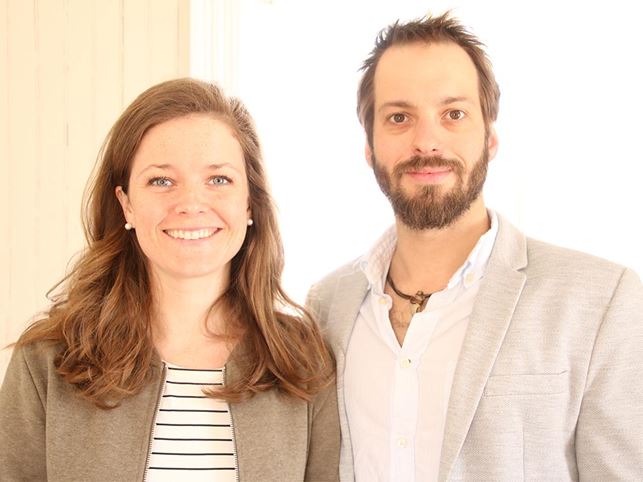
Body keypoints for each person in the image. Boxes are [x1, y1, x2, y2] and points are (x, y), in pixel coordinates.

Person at [306, 12, 643, 482]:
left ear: (490, 138)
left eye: (454, 114)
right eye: (399, 117)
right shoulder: (326, 307)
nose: (427, 141)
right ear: (370, 146)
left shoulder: (602, 300)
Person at [0, 78, 339, 481]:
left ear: (250, 202)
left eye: (219, 180)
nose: (191, 204)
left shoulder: (303, 363)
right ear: (126, 203)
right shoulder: (47, 363)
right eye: (161, 181)